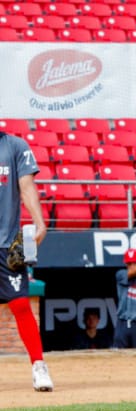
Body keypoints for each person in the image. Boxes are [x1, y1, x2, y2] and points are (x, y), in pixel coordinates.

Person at [0, 131, 53, 392]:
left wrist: (39, 221)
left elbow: (26, 186)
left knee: (21, 304)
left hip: (5, 243)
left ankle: (38, 365)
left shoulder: (15, 146)